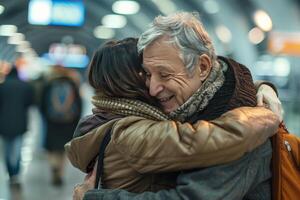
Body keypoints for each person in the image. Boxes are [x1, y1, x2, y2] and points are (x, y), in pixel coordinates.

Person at [67, 35, 281, 200]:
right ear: (130, 80)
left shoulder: (108, 118)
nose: (153, 87)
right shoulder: (130, 131)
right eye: (148, 74)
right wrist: (263, 116)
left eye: (163, 73)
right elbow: (203, 140)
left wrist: (261, 88)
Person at [40, 65, 82, 186]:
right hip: (69, 122)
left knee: (52, 147)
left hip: (52, 122)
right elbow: (79, 105)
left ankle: (54, 166)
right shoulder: (73, 85)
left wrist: (46, 118)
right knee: (64, 149)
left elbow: (42, 104)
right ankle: (61, 173)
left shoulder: (49, 85)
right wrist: (76, 121)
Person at [0, 66, 34, 186]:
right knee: (17, 149)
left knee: (6, 149)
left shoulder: (2, 86)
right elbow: (30, 103)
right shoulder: (25, 86)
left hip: (3, 123)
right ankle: (16, 173)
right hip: (20, 122)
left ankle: (10, 172)